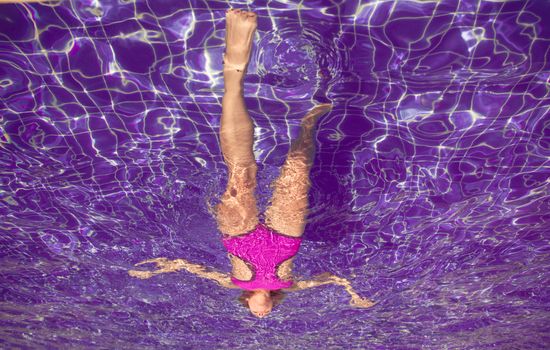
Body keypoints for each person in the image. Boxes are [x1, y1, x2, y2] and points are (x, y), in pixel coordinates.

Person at [129, 8, 375, 318]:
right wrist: (354, 296)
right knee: (298, 166)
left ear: (246, 303)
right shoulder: (292, 284)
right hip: (286, 240)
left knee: (240, 172)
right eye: (267, 313)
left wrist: (157, 269)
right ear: (274, 304)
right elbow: (333, 280)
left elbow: (188, 267)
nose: (262, 312)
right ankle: (313, 118)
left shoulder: (232, 283)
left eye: (254, 313)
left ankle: (235, 67)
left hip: (240, 237)